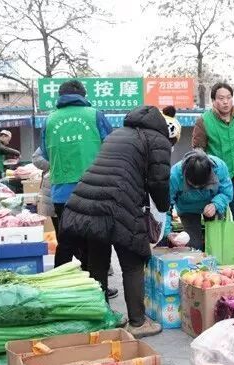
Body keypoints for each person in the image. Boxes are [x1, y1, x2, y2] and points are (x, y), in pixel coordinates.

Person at [59, 105, 174, 338]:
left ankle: (102, 318)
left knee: (97, 262)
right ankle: (138, 322)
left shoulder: (117, 134)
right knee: (132, 261)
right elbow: (159, 181)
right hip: (119, 203)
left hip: (88, 201)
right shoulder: (158, 140)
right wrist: (164, 207)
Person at [41, 79, 117, 298]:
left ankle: (60, 291)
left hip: (62, 194)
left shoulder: (49, 120)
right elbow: (111, 146)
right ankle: (98, 292)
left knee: (66, 243)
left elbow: (45, 153)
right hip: (95, 191)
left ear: (60, 96)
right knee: (97, 243)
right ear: (83, 96)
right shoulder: (95, 115)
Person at [192, 82, 234, 244]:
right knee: (215, 226)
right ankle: (214, 255)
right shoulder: (204, 121)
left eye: (228, 97)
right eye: (221, 98)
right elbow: (198, 152)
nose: (225, 102)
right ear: (213, 101)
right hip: (215, 183)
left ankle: (232, 251)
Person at [167, 150, 233, 250]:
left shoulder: (219, 167)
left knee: (215, 245)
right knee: (194, 245)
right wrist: (167, 232)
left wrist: (216, 204)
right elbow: (165, 206)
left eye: (203, 185)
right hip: (187, 210)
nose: (198, 188)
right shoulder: (174, 175)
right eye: (193, 186)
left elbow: (227, 193)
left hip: (212, 206)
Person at [32, 147, 57, 230]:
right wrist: (55, 164)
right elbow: (36, 158)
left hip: (77, 185)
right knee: (57, 223)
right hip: (53, 186)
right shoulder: (50, 140)